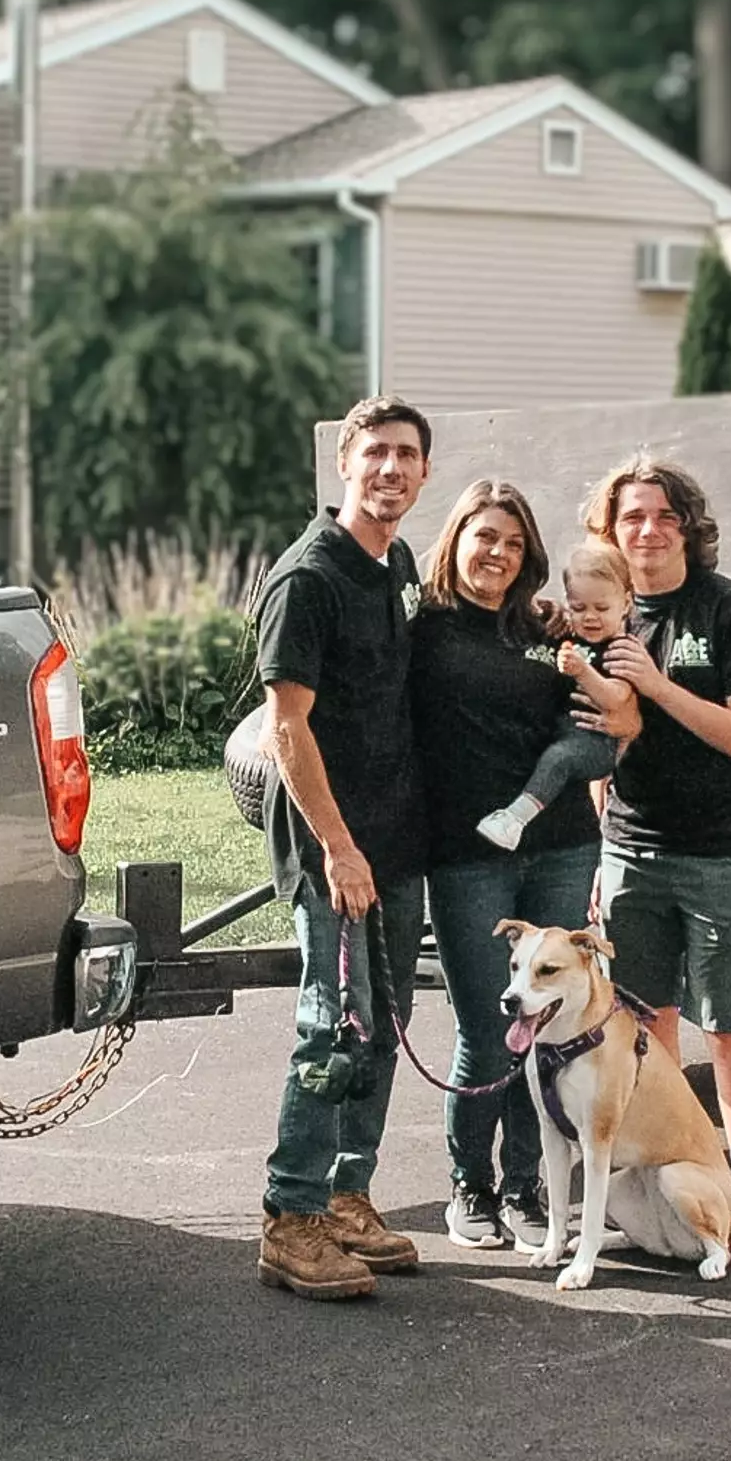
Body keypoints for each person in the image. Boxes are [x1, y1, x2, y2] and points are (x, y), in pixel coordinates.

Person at [412, 487, 638, 1252]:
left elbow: (608, 712)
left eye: (513, 542)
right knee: (490, 1027)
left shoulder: (544, 629)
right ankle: (469, 1187)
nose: (498, 553)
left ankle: (525, 1189)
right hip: (468, 860)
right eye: (484, 537)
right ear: (456, 541)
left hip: (564, 845)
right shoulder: (424, 632)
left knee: (544, 1027)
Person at [251, 394, 436, 1301]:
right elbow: (289, 729)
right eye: (375, 455)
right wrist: (339, 848)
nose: (390, 470)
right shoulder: (308, 578)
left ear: (424, 471)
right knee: (333, 1029)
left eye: (406, 455)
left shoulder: (396, 562)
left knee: (385, 1027)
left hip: (397, 843)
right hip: (337, 853)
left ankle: (347, 1197)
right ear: (344, 465)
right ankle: (291, 1217)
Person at [580, 453, 731, 1211]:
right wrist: (603, 843)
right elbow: (600, 740)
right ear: (610, 529)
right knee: (644, 1022)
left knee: (726, 1023)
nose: (650, 530)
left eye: (666, 516)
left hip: (718, 852)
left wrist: (657, 683)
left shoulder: (729, 610)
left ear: (690, 528)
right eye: (632, 516)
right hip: (633, 850)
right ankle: (673, 1161)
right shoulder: (605, 613)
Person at [473, 539, 636, 852]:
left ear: (625, 603)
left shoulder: (621, 648)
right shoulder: (572, 636)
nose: (590, 617)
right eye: (579, 607)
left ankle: (514, 820)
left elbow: (618, 699)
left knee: (558, 759)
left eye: (602, 608)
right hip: (564, 728)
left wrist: (583, 673)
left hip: (596, 742)